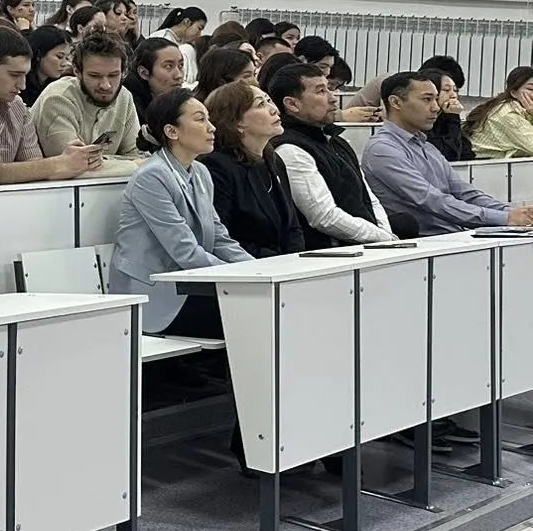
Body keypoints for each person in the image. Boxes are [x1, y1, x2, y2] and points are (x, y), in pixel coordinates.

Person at [108, 90, 254, 338]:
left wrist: (257, 270)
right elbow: (185, 252)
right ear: (171, 131)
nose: (212, 128)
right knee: (251, 314)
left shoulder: (201, 172)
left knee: (263, 308)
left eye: (209, 119)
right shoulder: (151, 177)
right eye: (200, 119)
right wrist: (240, 279)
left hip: (189, 285)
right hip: (154, 295)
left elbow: (220, 238)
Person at [363, 72, 533, 233]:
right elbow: (431, 200)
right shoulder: (382, 149)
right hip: (425, 241)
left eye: (435, 99)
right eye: (427, 99)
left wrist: (515, 213)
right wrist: (505, 218)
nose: (436, 107)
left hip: (452, 235)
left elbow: (466, 194)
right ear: (396, 102)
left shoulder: (426, 147)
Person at [266, 62, 401, 246]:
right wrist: (382, 238)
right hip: (330, 252)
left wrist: (385, 232)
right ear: (292, 104)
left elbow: (369, 197)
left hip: (369, 242)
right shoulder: (290, 149)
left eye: (330, 89)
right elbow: (324, 217)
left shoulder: (336, 141)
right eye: (321, 91)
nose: (333, 98)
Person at [0, 24, 105, 183]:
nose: (22, 85)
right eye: (14, 75)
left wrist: (65, 163)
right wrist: (57, 165)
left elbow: (34, 165)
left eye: (25, 75)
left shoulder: (18, 107)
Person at [199, 81, 305, 258]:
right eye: (261, 104)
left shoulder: (274, 160)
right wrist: (276, 262)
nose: (274, 110)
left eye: (269, 100)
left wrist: (295, 260)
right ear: (236, 122)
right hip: (246, 265)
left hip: (284, 264)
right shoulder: (217, 167)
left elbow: (292, 226)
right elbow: (223, 237)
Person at [32, 30, 143, 173]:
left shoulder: (124, 96)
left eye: (113, 75)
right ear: (77, 72)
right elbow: (73, 168)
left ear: (124, 72)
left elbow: (137, 154)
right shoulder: (57, 99)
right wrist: (135, 165)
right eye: (95, 76)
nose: (106, 85)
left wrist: (104, 161)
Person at [467, 67, 533, 159]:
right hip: (480, 164)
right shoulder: (508, 113)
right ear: (514, 93)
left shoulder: (524, 110)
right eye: (531, 89)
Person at [127, 36, 187, 132]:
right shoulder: (129, 107)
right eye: (168, 66)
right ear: (143, 73)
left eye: (181, 65)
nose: (179, 75)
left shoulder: (181, 103)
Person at [21, 25, 71, 106]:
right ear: (39, 54)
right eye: (59, 57)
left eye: (67, 58)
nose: (64, 63)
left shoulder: (60, 84)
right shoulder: (21, 82)